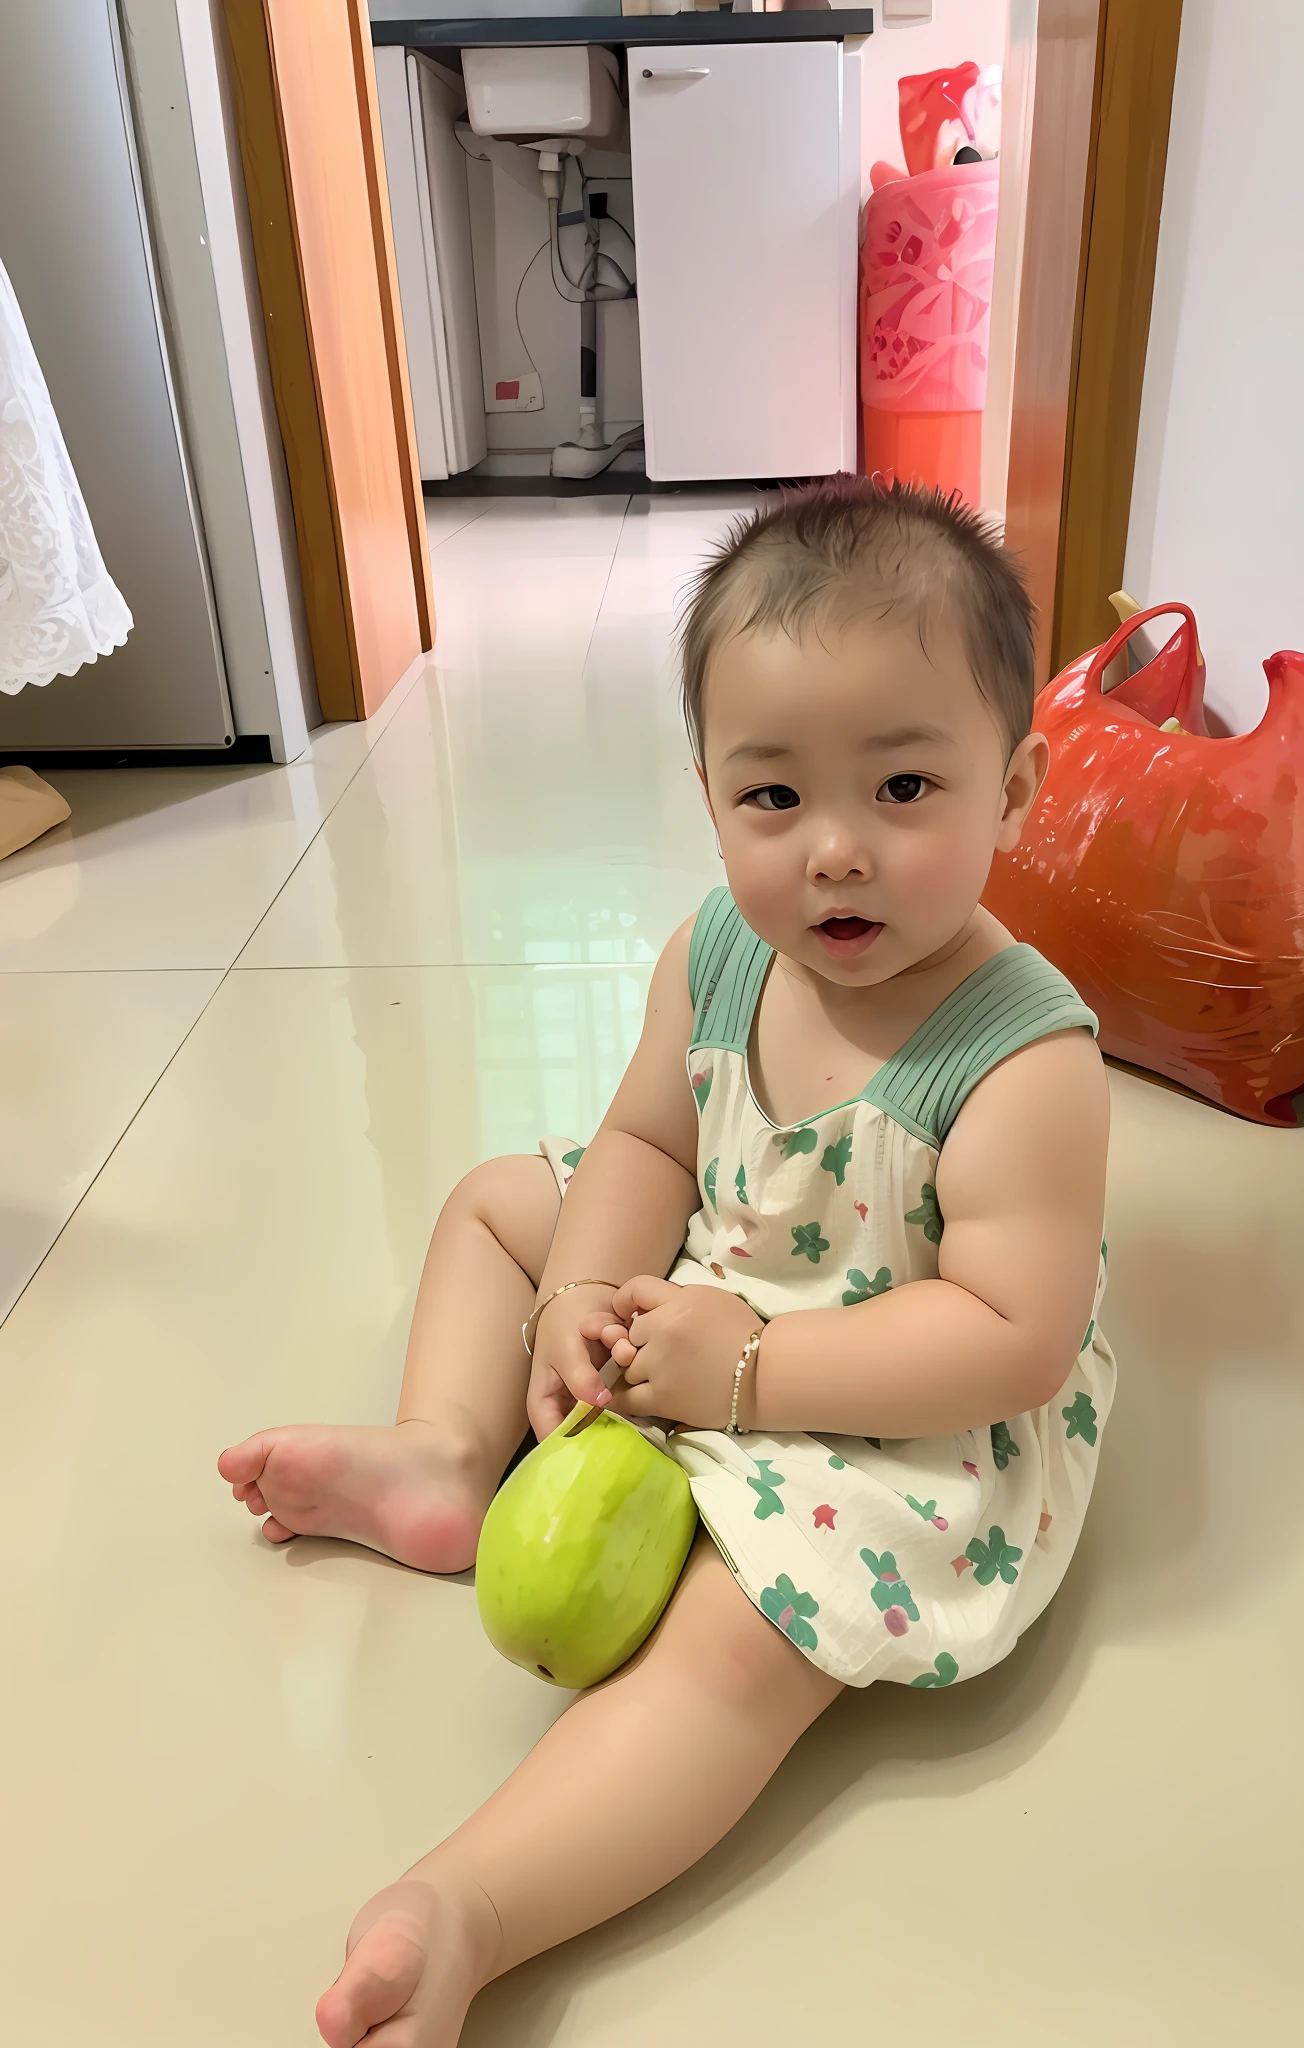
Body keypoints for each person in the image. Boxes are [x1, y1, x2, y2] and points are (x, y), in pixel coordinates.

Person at [218, 477, 1116, 2048]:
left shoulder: (1023, 1059)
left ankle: (470, 1908)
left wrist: (756, 1372)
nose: (834, 852)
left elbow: (1011, 1336)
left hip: (888, 1391)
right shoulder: (715, 951)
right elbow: (643, 1148)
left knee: (737, 1634)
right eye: (774, 800)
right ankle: (444, 1454)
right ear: (709, 790)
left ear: (1018, 786)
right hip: (715, 1271)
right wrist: (577, 1294)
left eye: (905, 787)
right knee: (502, 1198)